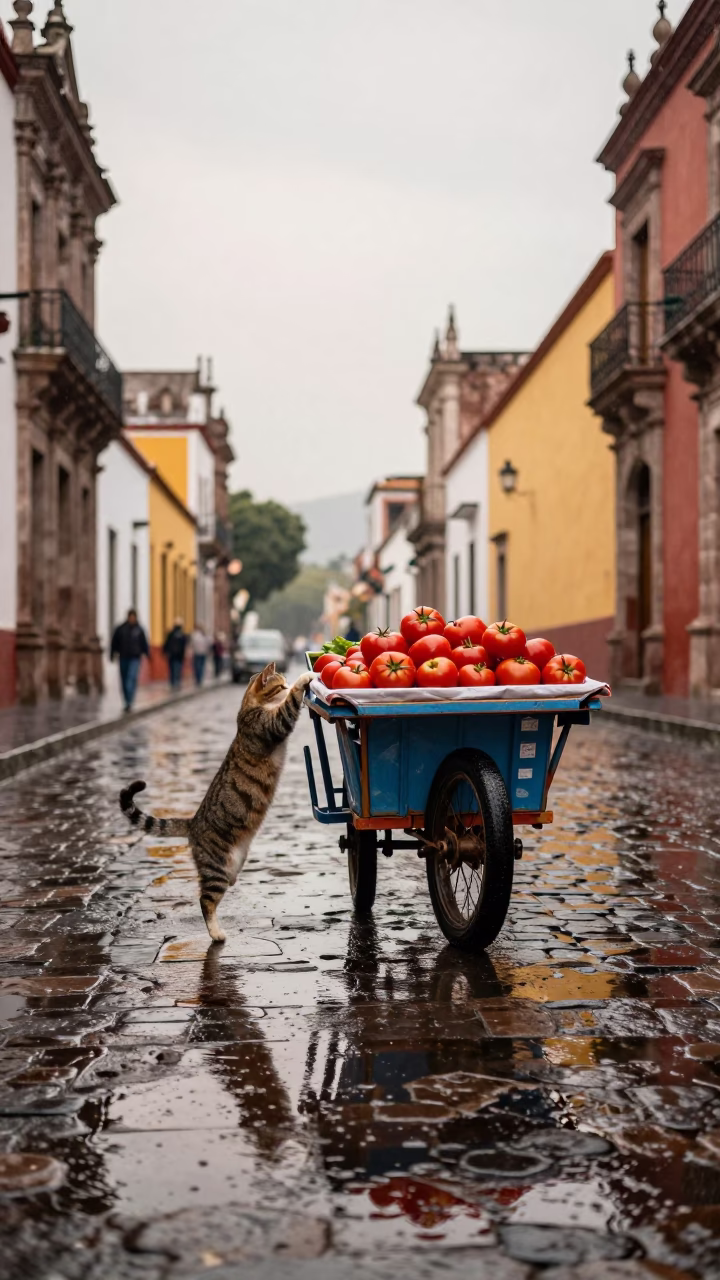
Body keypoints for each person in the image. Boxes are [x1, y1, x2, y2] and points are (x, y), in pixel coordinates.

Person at [110, 609, 150, 712]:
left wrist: (147, 654)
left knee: (131, 678)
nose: (132, 619)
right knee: (124, 679)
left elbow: (144, 643)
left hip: (135, 658)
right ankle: (126, 701)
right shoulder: (121, 629)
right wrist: (112, 654)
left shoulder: (139, 629)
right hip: (123, 657)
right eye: (131, 617)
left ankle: (130, 701)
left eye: (133, 617)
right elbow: (114, 642)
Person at [163, 618, 187, 689]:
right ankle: (175, 682)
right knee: (176, 669)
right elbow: (183, 646)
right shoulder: (182, 635)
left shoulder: (172, 634)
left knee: (173, 669)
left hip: (173, 655)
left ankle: (174, 682)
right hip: (177, 656)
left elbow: (166, 643)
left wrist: (165, 651)